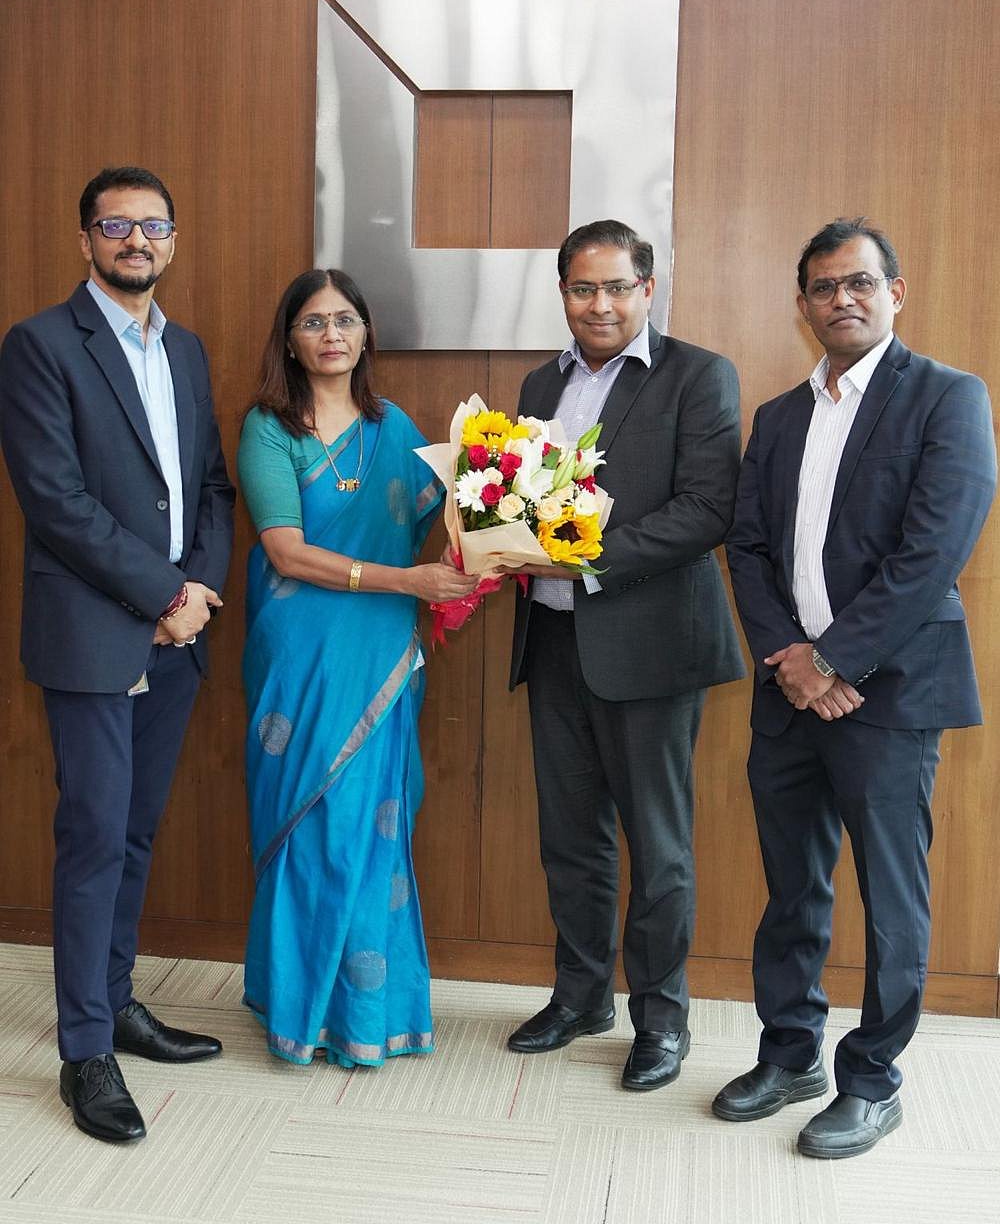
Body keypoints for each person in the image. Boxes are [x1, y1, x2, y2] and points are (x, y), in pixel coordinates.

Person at [717, 217, 996, 1158]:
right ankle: (790, 1049)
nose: (843, 298)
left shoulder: (949, 398)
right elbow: (748, 547)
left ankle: (873, 1079)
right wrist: (789, 658)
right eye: (825, 287)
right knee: (791, 884)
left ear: (895, 292)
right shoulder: (780, 416)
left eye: (861, 282)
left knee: (891, 892)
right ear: (802, 306)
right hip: (787, 688)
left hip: (891, 689)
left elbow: (933, 555)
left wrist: (832, 659)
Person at [0, 166, 235, 1143]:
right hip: (97, 634)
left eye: (152, 225)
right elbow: (55, 500)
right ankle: (84, 1049)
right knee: (93, 836)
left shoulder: (184, 347)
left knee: (136, 832)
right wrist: (162, 593)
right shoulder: (40, 345)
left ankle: (118, 996)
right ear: (87, 237)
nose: (135, 240)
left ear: (173, 240)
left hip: (177, 633)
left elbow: (211, 486)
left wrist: (197, 596)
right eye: (116, 224)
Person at [504, 220, 745, 1091]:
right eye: (581, 289)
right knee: (570, 836)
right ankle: (579, 996)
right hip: (556, 638)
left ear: (648, 289)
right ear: (562, 293)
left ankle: (661, 1018)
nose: (598, 305)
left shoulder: (698, 375)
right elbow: (526, 505)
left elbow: (708, 510)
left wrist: (584, 556)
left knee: (660, 845)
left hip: (650, 646)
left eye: (616, 288)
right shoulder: (540, 381)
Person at [237, 267, 475, 1070]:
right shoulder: (270, 426)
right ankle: (301, 1011)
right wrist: (410, 582)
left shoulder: (394, 427)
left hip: (380, 652)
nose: (332, 334)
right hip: (301, 652)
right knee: (313, 827)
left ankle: (370, 1012)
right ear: (291, 339)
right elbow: (285, 550)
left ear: (367, 333)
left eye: (345, 319)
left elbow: (425, 535)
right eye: (313, 322)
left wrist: (493, 541)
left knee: (375, 828)